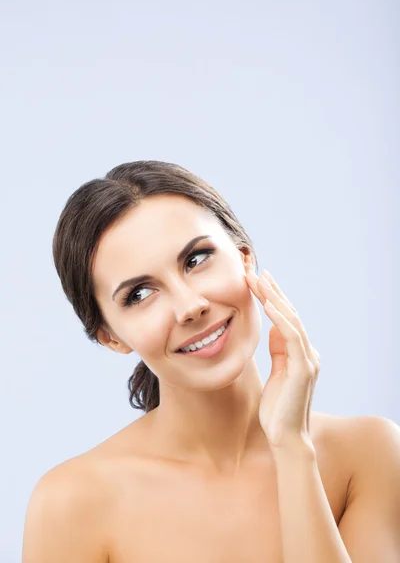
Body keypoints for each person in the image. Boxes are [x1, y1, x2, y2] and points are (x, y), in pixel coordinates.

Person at [22, 160, 400, 562]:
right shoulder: (72, 503)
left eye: (197, 259)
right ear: (110, 337)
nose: (190, 306)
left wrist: (292, 449)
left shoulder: (370, 454)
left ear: (244, 258)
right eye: (139, 294)